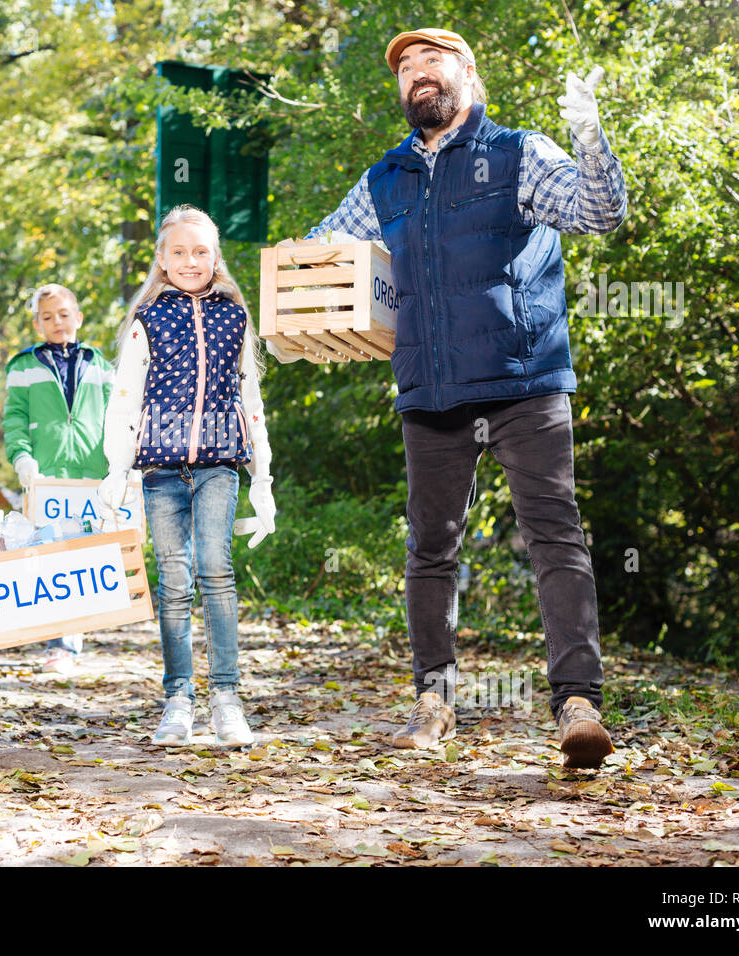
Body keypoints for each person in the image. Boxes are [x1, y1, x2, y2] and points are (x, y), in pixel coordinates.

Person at [295, 28, 627, 768]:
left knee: (555, 537)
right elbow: (319, 254)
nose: (417, 75)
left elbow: (599, 214)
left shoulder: (519, 153)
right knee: (430, 550)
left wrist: (589, 136)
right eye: (406, 68)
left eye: (430, 61)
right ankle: (433, 700)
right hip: (431, 390)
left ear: (466, 74)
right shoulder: (385, 179)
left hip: (524, 380)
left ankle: (578, 704)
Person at [98, 204, 277, 748]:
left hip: (220, 462)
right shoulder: (147, 320)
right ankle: (178, 698)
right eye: (179, 251)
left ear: (215, 257)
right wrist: (115, 468)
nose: (190, 260)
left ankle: (227, 697)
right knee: (174, 580)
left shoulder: (235, 317)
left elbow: (251, 400)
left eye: (201, 251)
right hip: (161, 468)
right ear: (162, 259)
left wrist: (262, 480)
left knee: (215, 568)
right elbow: (125, 397)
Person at [2, 283, 116, 673]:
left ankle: (71, 638)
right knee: (51, 556)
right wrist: (21, 457)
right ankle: (63, 645)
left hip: (90, 475)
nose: (57, 322)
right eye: (47, 317)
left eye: (64, 314)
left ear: (78, 317)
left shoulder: (100, 365)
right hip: (46, 476)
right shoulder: (23, 366)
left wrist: (120, 463)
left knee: (85, 553)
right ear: (37, 323)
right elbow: (15, 417)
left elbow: (117, 418)